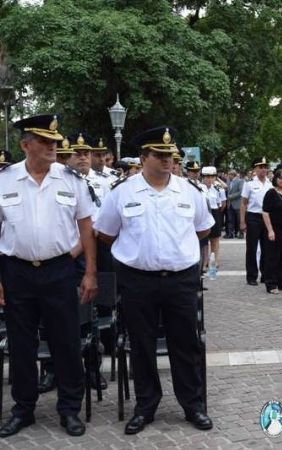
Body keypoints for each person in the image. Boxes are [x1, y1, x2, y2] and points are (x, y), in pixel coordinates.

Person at [94, 126, 214, 434]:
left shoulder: (189, 191)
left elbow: (202, 230)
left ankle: (192, 404)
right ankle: (146, 406)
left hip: (181, 280)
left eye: (170, 155)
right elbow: (106, 234)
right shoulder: (122, 191)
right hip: (138, 281)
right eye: (159, 155)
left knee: (185, 344)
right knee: (142, 345)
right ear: (144, 157)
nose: (167, 160)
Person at [0, 114, 98, 438]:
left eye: (55, 141)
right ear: (25, 144)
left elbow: (86, 229)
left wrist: (91, 274)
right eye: (44, 141)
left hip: (59, 271)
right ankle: (23, 408)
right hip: (16, 272)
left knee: (66, 341)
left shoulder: (71, 180)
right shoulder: (5, 179)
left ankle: (69, 409)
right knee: (20, 344)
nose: (53, 147)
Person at [240, 157, 272, 286]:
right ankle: (251, 276)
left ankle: (265, 274)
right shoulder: (249, 184)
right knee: (252, 248)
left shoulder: (270, 184)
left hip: (267, 218)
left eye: (265, 167)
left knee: (267, 248)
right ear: (255, 169)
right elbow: (243, 203)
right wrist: (242, 221)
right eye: (260, 167)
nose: (263, 169)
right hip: (253, 217)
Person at [201, 166, 226, 271]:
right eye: (207, 177)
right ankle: (204, 262)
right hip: (203, 213)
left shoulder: (218, 188)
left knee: (215, 238)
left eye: (211, 176)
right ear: (203, 177)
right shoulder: (199, 187)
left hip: (215, 212)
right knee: (203, 239)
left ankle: (214, 260)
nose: (209, 179)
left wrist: (217, 213)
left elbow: (223, 203)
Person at [226, 170, 243, 238]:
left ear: (233, 175)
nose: (228, 176)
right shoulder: (229, 182)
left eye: (229, 175)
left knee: (239, 220)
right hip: (230, 204)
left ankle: (241, 234)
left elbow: (241, 192)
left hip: (237, 204)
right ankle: (231, 234)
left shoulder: (240, 181)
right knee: (230, 220)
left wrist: (231, 196)